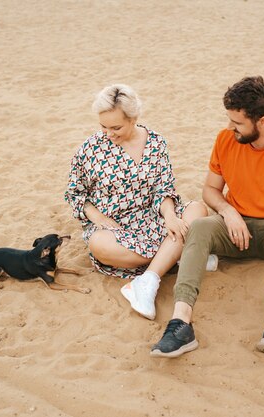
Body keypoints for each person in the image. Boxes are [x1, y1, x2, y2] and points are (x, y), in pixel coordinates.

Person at [151, 76, 264, 358]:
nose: (229, 127)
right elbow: (210, 189)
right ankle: (181, 323)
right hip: (233, 231)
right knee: (199, 227)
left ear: (263, 121)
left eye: (237, 122)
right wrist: (227, 210)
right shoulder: (225, 139)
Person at [65, 84, 211, 321]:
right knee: (98, 244)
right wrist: (100, 218)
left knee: (198, 210)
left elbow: (163, 187)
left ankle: (147, 281)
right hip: (117, 228)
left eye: (116, 127)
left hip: (156, 217)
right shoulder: (90, 149)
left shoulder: (156, 143)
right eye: (103, 126)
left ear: (133, 118)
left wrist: (171, 217)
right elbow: (75, 194)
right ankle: (180, 253)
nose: (108, 133)